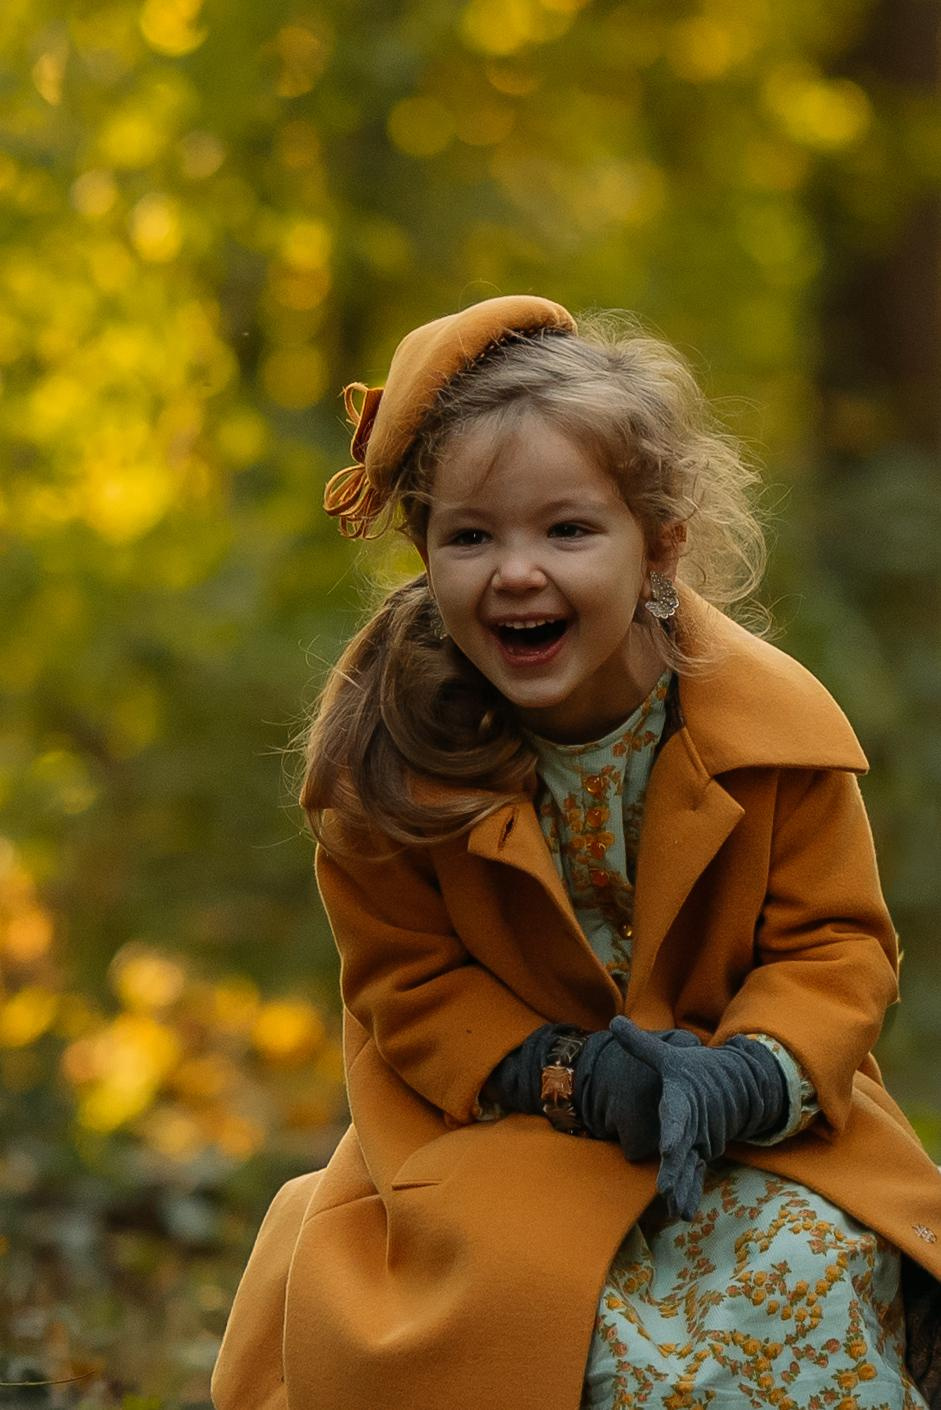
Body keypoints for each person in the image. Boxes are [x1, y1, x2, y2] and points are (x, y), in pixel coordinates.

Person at [211, 295, 941, 1410]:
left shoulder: (767, 733)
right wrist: (571, 1075)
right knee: (539, 1320)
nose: (515, 572)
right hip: (494, 1133)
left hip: (747, 1134)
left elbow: (833, 947)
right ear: (423, 553)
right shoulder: (390, 751)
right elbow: (408, 983)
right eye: (470, 537)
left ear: (659, 545)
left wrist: (747, 1075)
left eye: (566, 531)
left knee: (804, 1264)